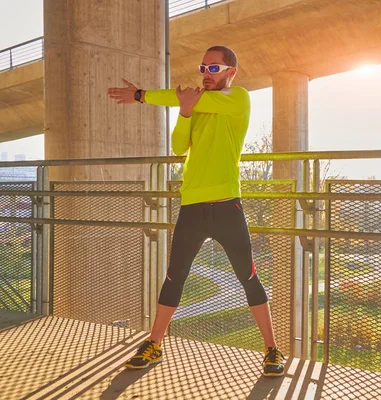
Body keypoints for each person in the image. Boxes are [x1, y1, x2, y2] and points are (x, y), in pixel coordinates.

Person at [107, 46, 284, 377]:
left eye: (214, 67)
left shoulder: (239, 98)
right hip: (191, 206)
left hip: (227, 205)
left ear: (232, 71)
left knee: (248, 277)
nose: (206, 72)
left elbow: (182, 96)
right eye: (203, 67)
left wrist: (142, 95)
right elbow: (177, 146)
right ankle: (154, 344)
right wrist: (185, 111)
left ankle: (272, 350)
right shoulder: (196, 105)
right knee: (174, 277)